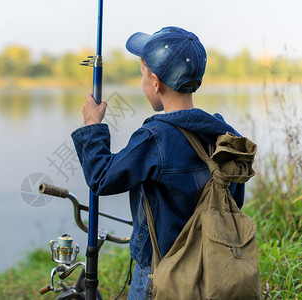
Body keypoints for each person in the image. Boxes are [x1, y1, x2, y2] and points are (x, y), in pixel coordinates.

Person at [71, 26, 245, 299]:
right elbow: (234, 200)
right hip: (210, 265)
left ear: (155, 82)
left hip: (159, 274)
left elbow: (102, 178)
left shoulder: (155, 138)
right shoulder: (223, 133)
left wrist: (92, 125)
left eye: (142, 75)